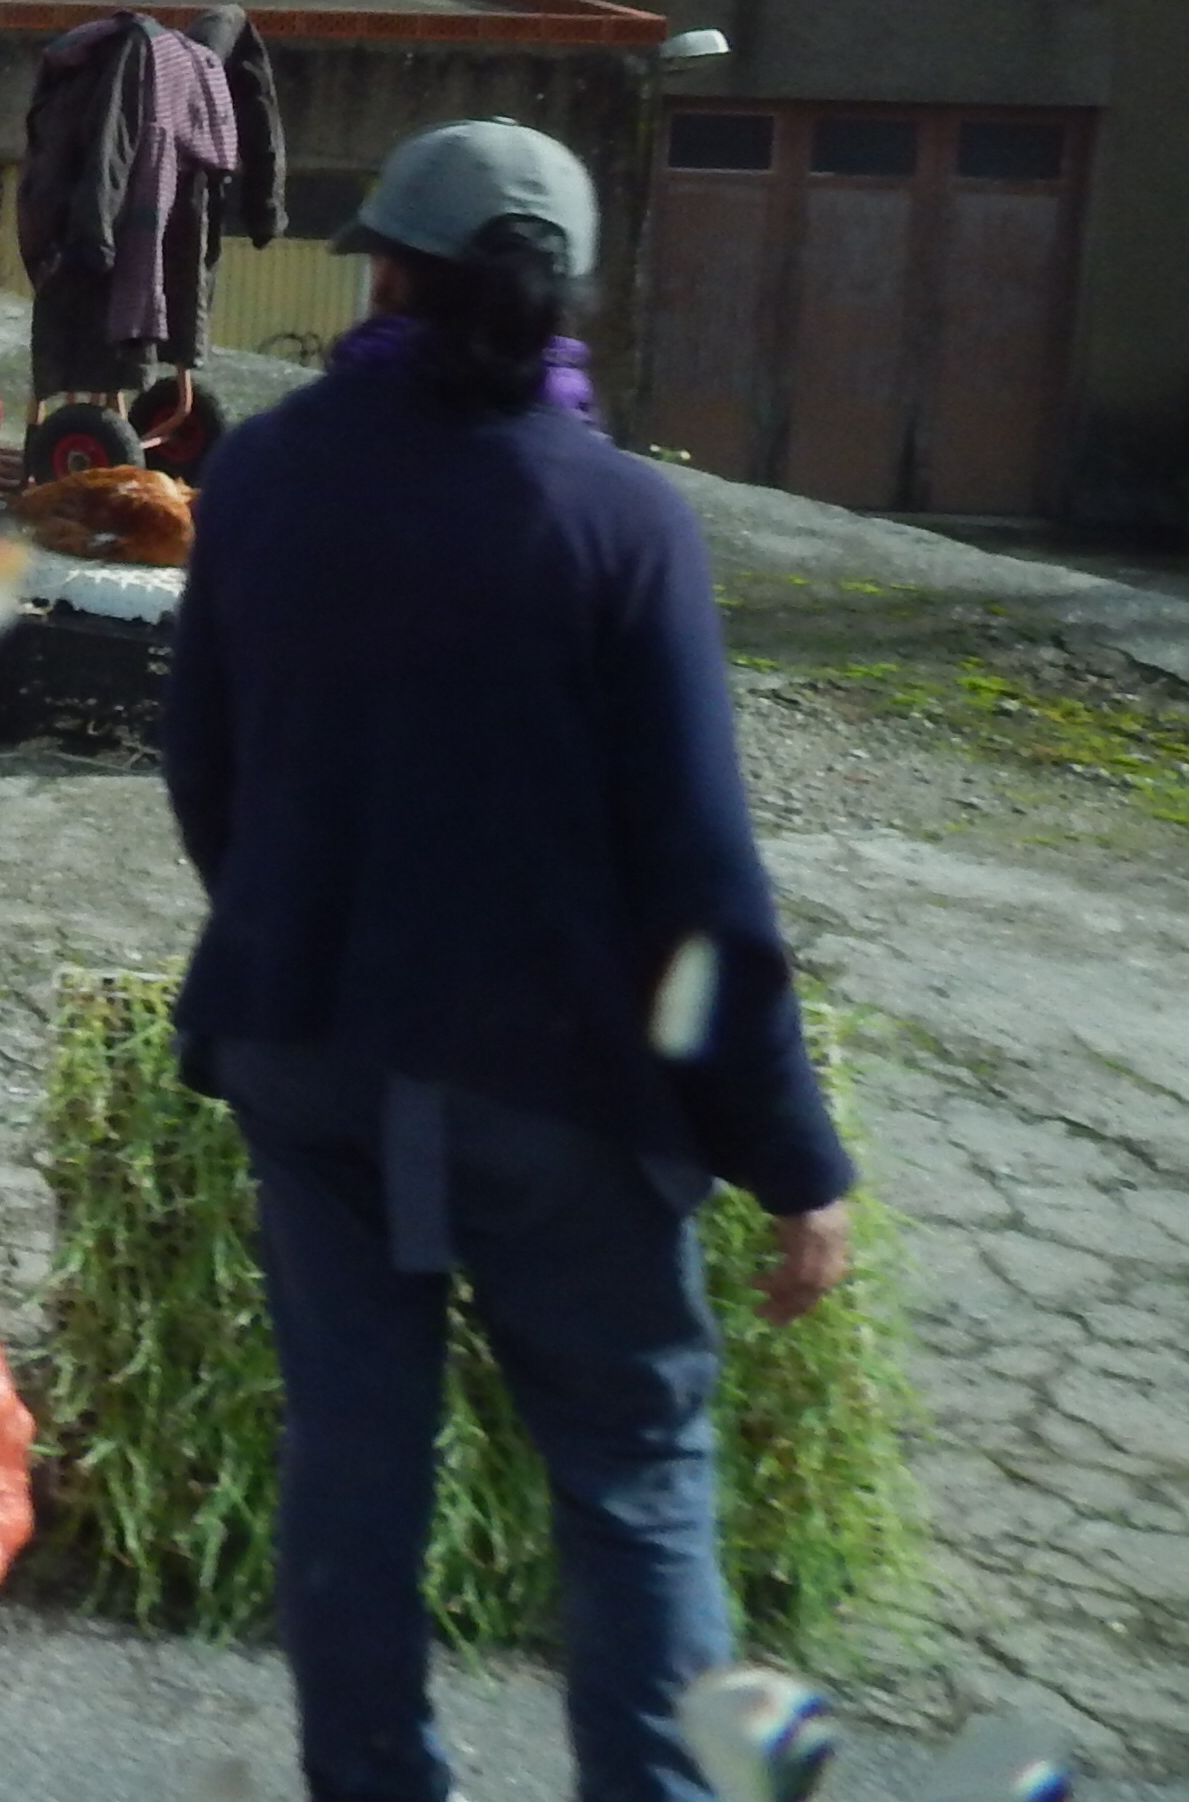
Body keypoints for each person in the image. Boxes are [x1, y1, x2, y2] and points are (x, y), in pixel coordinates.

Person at [165, 119, 858, 1802]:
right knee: (632, 1471)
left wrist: (305, 928)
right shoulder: (623, 520)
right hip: (560, 1087)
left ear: (385, 277)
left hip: (308, 1050)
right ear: (567, 304)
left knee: (355, 1456)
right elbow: (700, 879)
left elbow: (205, 776)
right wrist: (792, 1157)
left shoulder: (264, 473)